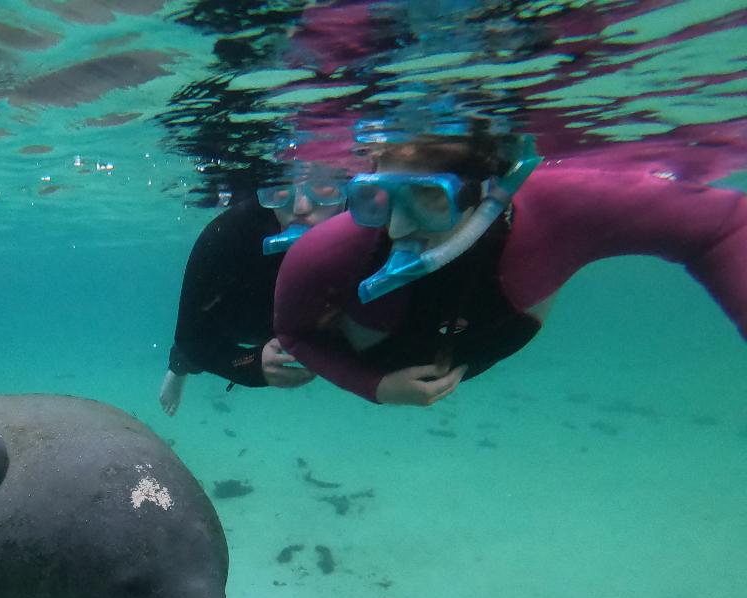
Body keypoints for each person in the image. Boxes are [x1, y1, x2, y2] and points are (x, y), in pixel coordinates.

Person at [273, 123, 747, 406]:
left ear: (491, 195)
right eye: (375, 197)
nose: (395, 228)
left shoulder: (565, 206)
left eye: (425, 200)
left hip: (490, 329)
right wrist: (373, 386)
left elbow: (725, 226)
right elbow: (294, 332)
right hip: (392, 353)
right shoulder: (328, 249)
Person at [158, 164, 348, 415]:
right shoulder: (228, 234)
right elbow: (191, 337)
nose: (301, 207)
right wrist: (253, 366)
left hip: (322, 314)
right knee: (193, 349)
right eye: (281, 190)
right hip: (247, 315)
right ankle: (179, 366)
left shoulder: (379, 231)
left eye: (323, 188)